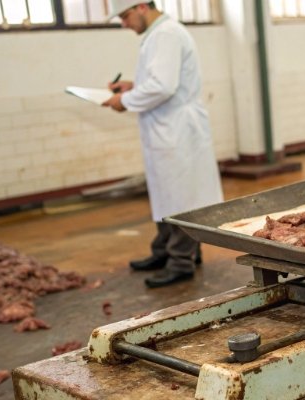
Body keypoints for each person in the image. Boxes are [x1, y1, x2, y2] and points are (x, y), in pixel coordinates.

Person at [102, 0, 224, 288]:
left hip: (176, 128)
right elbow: (163, 80)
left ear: (142, 7)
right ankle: (166, 251)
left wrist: (125, 100)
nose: (124, 24)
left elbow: (163, 87)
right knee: (167, 193)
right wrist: (133, 86)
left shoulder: (166, 34)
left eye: (125, 16)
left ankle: (181, 261)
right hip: (166, 126)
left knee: (181, 197)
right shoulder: (158, 34)